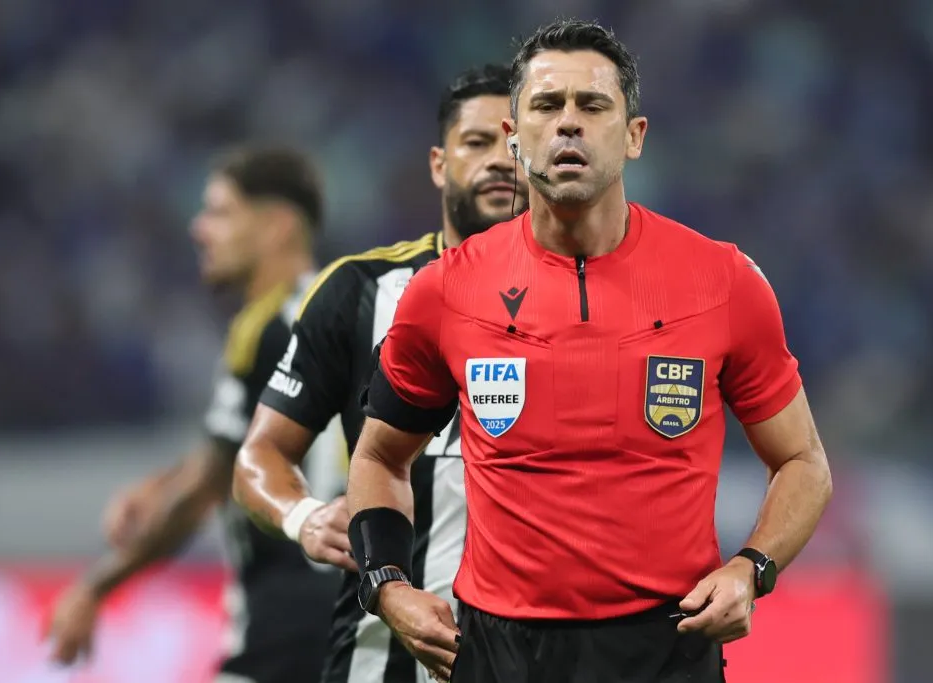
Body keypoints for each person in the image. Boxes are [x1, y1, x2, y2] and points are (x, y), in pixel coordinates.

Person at [345, 19, 834, 683]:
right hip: (499, 654)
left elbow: (803, 462)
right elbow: (379, 456)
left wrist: (753, 568)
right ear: (515, 137)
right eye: (547, 105)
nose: (568, 123)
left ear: (634, 136)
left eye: (593, 105)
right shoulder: (446, 291)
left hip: (668, 648)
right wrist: (386, 583)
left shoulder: (723, 281)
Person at [231, 64, 527, 683]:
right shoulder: (358, 292)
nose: (500, 160)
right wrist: (303, 517)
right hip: (380, 659)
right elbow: (259, 456)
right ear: (439, 164)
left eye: (516, 143)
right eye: (477, 142)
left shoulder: (594, 299)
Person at [47, 147, 343, 683]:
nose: (199, 229)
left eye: (220, 213)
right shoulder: (341, 312)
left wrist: (96, 587)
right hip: (351, 617)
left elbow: (205, 487)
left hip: (286, 621)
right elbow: (255, 444)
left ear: (277, 226)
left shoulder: (262, 329)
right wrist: (164, 482)